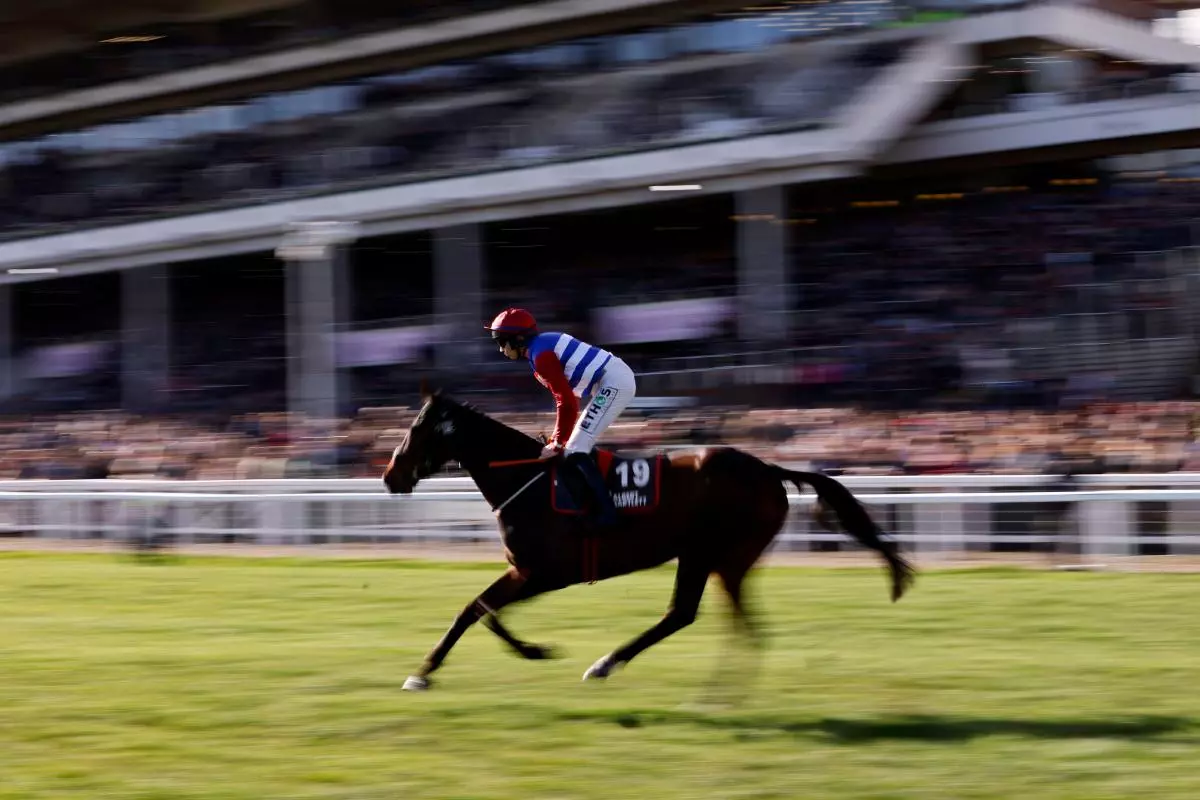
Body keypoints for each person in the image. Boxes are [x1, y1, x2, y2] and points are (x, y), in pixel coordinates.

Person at [485, 307, 637, 527]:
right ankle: (596, 505)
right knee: (575, 445)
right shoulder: (538, 350)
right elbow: (571, 401)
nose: (501, 350)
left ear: (518, 339)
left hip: (614, 382)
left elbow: (565, 402)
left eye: (502, 342)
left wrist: (557, 443)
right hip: (611, 380)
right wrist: (558, 441)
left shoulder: (541, 355)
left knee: (575, 448)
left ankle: (607, 514)